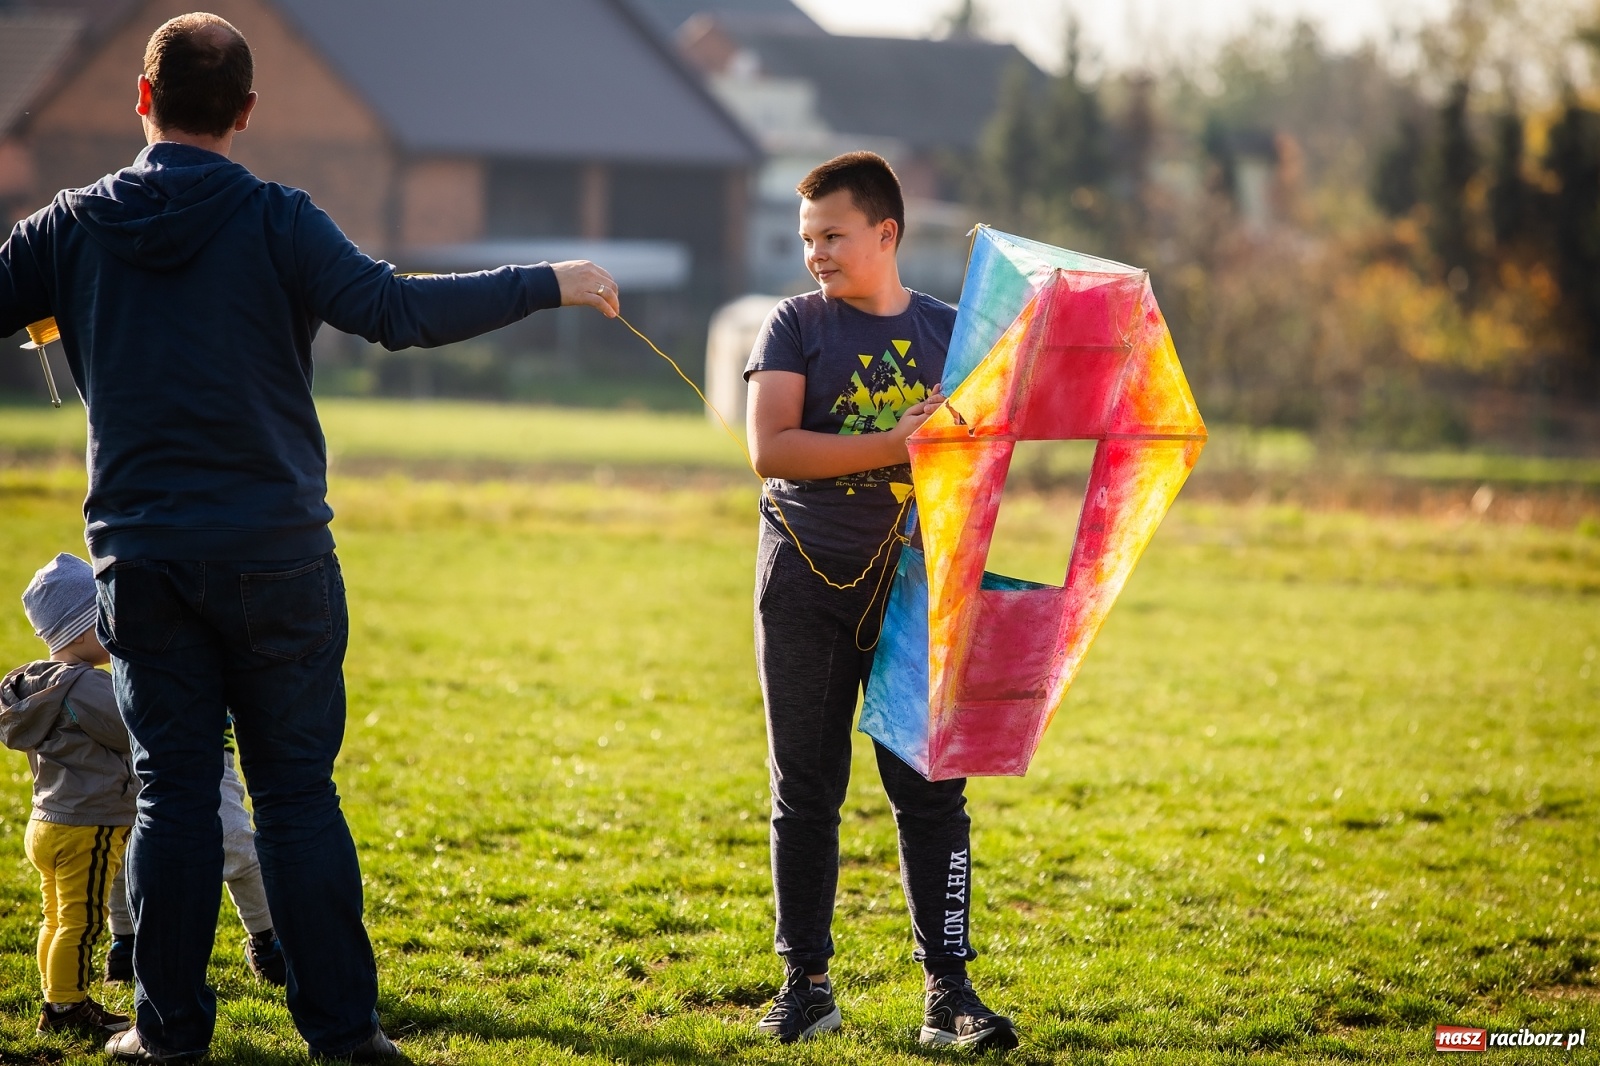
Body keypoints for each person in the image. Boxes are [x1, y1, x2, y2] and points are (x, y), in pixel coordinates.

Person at [0, 12, 619, 1063]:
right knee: (294, 796)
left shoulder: (66, 227)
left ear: (141, 100)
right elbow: (396, 312)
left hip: (142, 563)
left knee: (174, 798)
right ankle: (344, 1034)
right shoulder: (279, 218)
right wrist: (547, 279)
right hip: (278, 554)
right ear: (246, 111)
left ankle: (168, 1034)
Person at [744, 151, 1019, 1049]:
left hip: (917, 596)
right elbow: (772, 448)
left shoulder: (954, 333)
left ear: (887, 232)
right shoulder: (794, 325)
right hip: (807, 587)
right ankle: (806, 986)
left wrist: (961, 433)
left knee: (933, 794)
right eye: (807, 239)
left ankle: (950, 996)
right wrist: (897, 444)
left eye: (833, 235)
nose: (815, 253)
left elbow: (985, 457)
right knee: (806, 790)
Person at [1, 554, 136, 1043]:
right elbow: (129, 731)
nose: (115, 629)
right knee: (83, 922)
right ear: (79, 633)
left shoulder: (37, 685)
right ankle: (67, 1008)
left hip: (46, 821)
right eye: (105, 620)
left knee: (55, 916)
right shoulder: (87, 687)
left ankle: (55, 997)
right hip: (87, 824)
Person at [105, 719, 288, 987]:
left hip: (206, 748)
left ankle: (266, 941)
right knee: (124, 846)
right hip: (132, 751)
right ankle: (125, 944)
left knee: (238, 844)